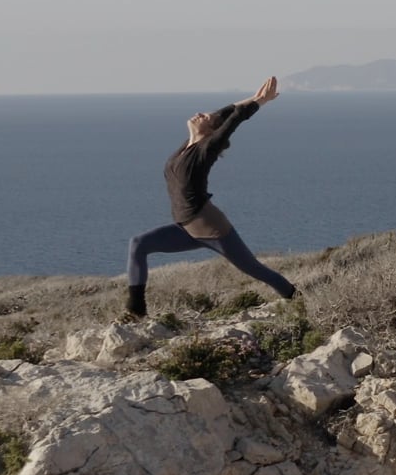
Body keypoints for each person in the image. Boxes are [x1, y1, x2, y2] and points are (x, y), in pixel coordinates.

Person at [125, 76, 295, 317]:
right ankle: (136, 312)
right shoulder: (188, 145)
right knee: (138, 244)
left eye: (204, 117)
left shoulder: (206, 149)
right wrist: (255, 97)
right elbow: (226, 112)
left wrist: (261, 103)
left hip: (211, 229)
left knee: (256, 270)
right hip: (185, 227)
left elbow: (233, 120)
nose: (199, 114)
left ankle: (296, 298)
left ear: (210, 130)